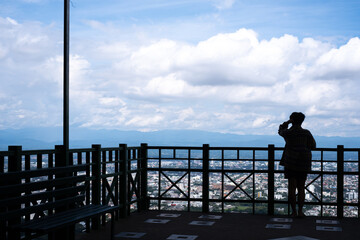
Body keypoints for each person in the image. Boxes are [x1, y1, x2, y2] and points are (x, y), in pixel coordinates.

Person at [278, 112, 316, 217]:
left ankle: (293, 212)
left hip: (290, 161)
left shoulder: (288, 133)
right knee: (301, 187)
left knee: (292, 187)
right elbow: (313, 145)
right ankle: (300, 211)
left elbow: (280, 131)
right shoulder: (306, 133)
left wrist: (287, 122)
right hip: (303, 162)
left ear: (292, 120)